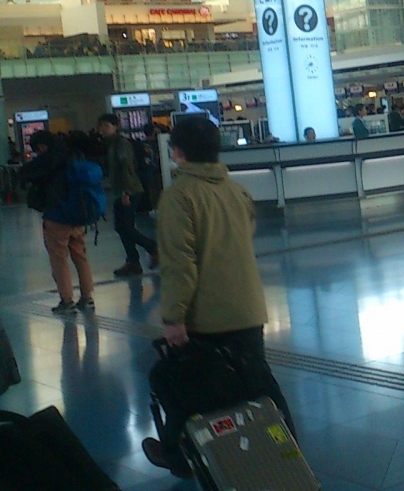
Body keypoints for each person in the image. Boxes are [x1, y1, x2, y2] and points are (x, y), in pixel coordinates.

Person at [140, 115, 295, 472]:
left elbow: (180, 264)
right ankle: (288, 458)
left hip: (207, 316)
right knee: (259, 387)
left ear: (177, 152)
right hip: (248, 308)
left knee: (194, 388)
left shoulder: (178, 197)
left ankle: (184, 457)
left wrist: (173, 317)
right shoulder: (237, 191)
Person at [20, 131, 100, 314]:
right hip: (78, 216)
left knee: (59, 259)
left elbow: (24, 174)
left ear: (41, 146)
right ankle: (87, 298)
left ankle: (66, 300)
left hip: (56, 217)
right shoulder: (73, 154)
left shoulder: (48, 159)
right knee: (80, 257)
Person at [96, 113, 158, 276]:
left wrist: (126, 192)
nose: (102, 130)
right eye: (101, 126)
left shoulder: (120, 143)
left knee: (125, 227)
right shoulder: (111, 143)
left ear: (115, 126)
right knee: (122, 227)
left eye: (106, 126)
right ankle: (133, 261)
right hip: (121, 190)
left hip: (128, 190)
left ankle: (152, 248)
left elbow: (126, 167)